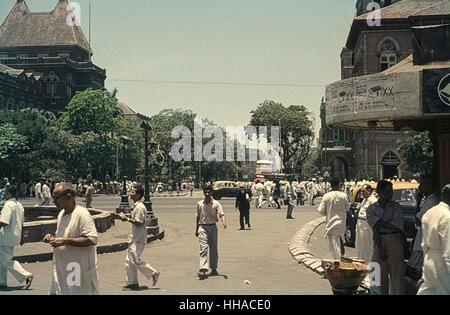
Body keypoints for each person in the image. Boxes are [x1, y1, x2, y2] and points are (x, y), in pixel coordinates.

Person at [43, 182, 99, 295]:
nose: (53, 201)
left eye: (56, 198)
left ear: (68, 197)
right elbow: (62, 236)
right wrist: (51, 237)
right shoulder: (61, 214)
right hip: (61, 267)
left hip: (75, 269)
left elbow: (92, 239)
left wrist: (64, 241)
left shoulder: (82, 214)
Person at [367, 180, 405, 295]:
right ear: (379, 192)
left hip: (394, 240)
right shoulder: (372, 208)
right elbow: (375, 229)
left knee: (396, 274)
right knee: (378, 274)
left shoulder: (396, 207)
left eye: (391, 192)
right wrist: (380, 247)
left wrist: (378, 222)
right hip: (379, 240)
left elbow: (396, 226)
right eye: (387, 192)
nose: (390, 194)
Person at [119, 186, 160, 290]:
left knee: (135, 260)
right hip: (134, 237)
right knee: (129, 261)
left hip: (138, 238)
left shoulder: (140, 207)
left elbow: (139, 222)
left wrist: (127, 219)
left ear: (138, 195)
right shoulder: (137, 206)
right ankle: (132, 282)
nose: (130, 193)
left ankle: (153, 273)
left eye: (132, 192)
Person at [416, 184, 450, 295]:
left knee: (428, 292)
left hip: (429, 259)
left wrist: (424, 273)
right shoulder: (447, 216)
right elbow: (447, 251)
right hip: (442, 264)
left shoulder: (430, 213)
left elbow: (424, 244)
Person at [0, 185, 33, 290]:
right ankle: (2, 281)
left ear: (9, 194)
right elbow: (22, 222)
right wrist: (22, 237)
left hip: (5, 237)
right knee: (2, 260)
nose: (3, 193)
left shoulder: (8, 205)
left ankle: (25, 274)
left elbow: (4, 222)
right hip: (14, 236)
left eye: (5, 191)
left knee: (6, 260)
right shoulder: (19, 205)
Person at [407, 175, 439, 280]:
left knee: (412, 272)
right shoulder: (429, 200)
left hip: (423, 243)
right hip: (421, 240)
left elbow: (418, 220)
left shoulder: (432, 201)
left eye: (422, 184)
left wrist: (418, 202)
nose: (420, 187)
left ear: (429, 186)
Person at [195, 185, 227, 279]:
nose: (207, 194)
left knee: (213, 248)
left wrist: (224, 223)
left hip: (213, 227)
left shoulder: (216, 204)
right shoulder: (200, 203)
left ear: (212, 193)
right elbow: (197, 217)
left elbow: (221, 214)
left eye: (209, 192)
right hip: (203, 227)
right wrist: (196, 230)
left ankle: (213, 268)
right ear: (203, 193)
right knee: (203, 248)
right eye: (205, 192)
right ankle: (203, 268)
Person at [318, 178, 349, 259]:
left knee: (333, 244)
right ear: (339, 185)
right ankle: (341, 258)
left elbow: (320, 211)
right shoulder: (343, 195)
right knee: (340, 240)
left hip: (331, 223)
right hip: (341, 222)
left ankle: (337, 261)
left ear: (330, 186)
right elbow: (347, 207)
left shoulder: (326, 196)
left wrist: (328, 212)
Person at [355, 184, 378, 265]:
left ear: (369, 191)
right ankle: (360, 262)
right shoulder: (364, 199)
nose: (362, 193)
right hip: (360, 222)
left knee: (367, 245)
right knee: (359, 244)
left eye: (363, 191)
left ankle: (368, 264)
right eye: (361, 191)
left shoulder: (373, 200)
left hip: (366, 223)